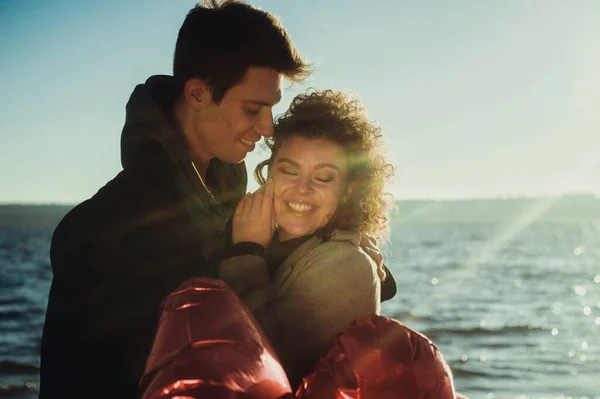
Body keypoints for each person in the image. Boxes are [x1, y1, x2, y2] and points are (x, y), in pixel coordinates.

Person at [39, 1, 310, 398]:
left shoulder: (228, 202)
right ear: (198, 93)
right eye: (253, 109)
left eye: (271, 108)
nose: (268, 128)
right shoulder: (111, 227)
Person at [218, 89, 395, 389]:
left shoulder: (350, 264)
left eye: (324, 178)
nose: (302, 189)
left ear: (349, 191)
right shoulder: (250, 232)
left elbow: (261, 363)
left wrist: (246, 252)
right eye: (288, 171)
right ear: (269, 173)